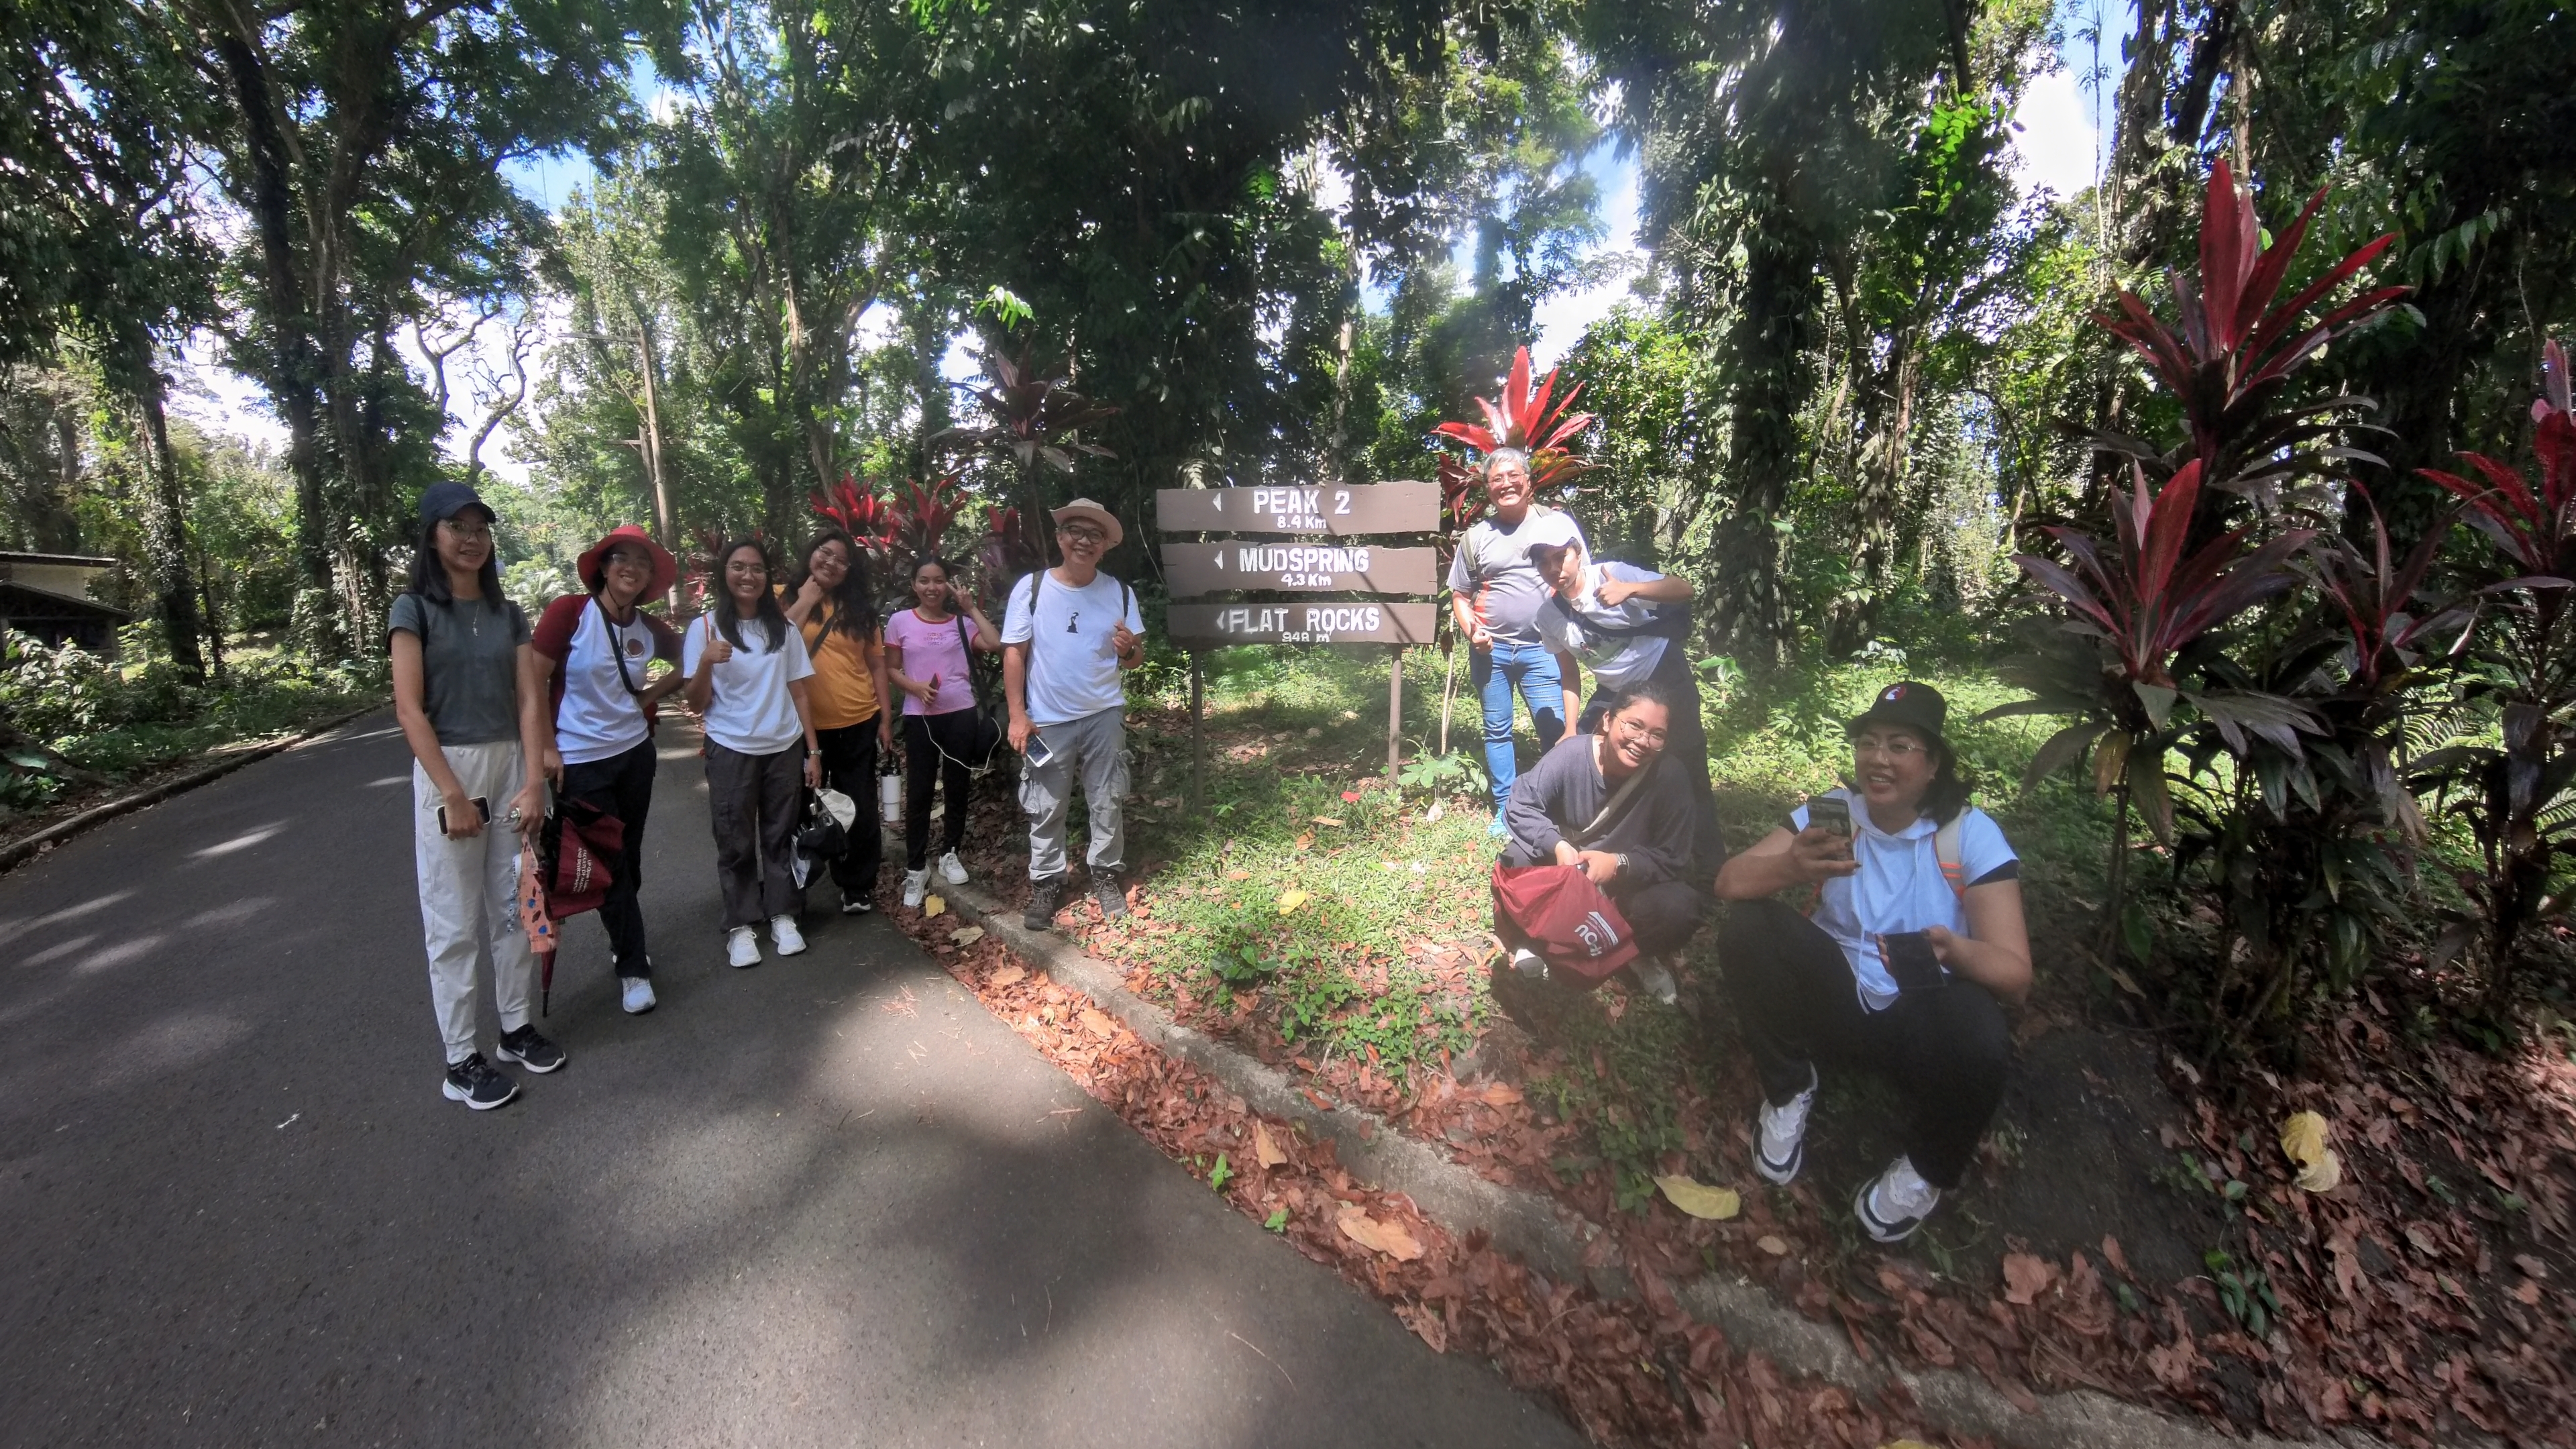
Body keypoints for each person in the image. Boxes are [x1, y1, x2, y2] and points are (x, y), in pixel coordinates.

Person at [1712, 681, 2030, 1244]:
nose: (1878, 759)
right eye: (1870, 742)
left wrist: (1955, 950)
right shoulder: (1834, 814)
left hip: (1918, 1016)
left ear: (1933, 764)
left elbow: (2015, 974)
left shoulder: (1969, 834)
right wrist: (1792, 865)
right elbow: (1729, 882)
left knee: (1981, 1023)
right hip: (1831, 1001)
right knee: (1748, 927)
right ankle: (1789, 1088)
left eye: (1901, 745)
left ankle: (1928, 1169)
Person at [389, 481, 563, 1110]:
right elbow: (410, 710)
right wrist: (452, 793)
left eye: (480, 529)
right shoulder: (413, 609)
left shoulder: (507, 613)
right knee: (454, 920)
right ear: (432, 535)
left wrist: (534, 779)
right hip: (450, 772)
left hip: (510, 764)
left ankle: (515, 1028)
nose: (471, 539)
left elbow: (528, 698)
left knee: (516, 904)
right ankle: (461, 1057)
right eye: (457, 527)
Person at [532, 524, 684, 1016]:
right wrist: (545, 748)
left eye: (642, 563)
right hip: (579, 761)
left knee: (630, 856)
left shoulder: (647, 628)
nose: (631, 568)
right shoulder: (569, 613)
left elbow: (688, 655)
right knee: (611, 862)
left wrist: (651, 697)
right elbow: (531, 682)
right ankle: (633, 967)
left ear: (648, 578)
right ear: (603, 564)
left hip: (635, 755)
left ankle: (624, 937)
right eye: (622, 558)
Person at [1497, 680, 1703, 1004]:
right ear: (1608, 721)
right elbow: (1521, 804)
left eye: (1657, 734)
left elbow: (1673, 856)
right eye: (1633, 725)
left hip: (1624, 889)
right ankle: (1530, 937)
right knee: (1515, 860)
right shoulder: (1572, 755)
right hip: (1566, 874)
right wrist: (1558, 845)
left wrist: (1620, 864)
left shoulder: (1671, 777)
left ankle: (1636, 953)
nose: (1642, 741)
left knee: (1679, 907)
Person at [1528, 536, 1723, 876]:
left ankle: (1712, 868)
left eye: (1561, 557)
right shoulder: (1549, 615)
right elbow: (1569, 673)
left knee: (1688, 765)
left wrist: (1631, 590)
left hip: (1664, 670)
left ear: (1577, 553)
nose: (1554, 568)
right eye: (1544, 562)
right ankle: (1594, 847)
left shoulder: (1611, 573)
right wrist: (1571, 730)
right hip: (1616, 687)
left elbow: (1683, 588)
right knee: (1586, 753)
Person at [1002, 498, 1145, 932]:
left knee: (1107, 798)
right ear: (1061, 538)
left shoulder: (1119, 592)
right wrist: (1017, 714)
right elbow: (1014, 652)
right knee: (1046, 806)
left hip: (1103, 714)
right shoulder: (1033, 588)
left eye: (1094, 535)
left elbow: (1135, 657)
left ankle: (1104, 875)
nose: (1084, 540)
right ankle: (1047, 881)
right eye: (1076, 532)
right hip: (1048, 720)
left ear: (1105, 545)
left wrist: (1130, 650)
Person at [683, 539, 822, 969]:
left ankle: (782, 915)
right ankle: (742, 925)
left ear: (767, 577)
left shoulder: (784, 629)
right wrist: (706, 661)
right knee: (735, 840)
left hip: (783, 747)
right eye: (739, 567)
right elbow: (695, 702)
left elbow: (799, 691)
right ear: (725, 573)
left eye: (758, 568)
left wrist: (812, 751)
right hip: (730, 749)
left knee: (780, 837)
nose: (749, 576)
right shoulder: (705, 628)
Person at [1448, 447, 1587, 835]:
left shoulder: (1555, 524)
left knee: (1556, 728)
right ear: (1487, 488)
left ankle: (1556, 803)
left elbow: (1580, 575)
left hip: (1545, 648)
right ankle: (1507, 809)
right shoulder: (1477, 537)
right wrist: (1472, 631)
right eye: (1496, 479)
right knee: (1497, 729)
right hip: (1491, 653)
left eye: (1513, 477)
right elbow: (1461, 594)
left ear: (1529, 481)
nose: (1505, 484)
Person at [784, 531, 894, 916]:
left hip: (856, 719)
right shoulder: (782, 594)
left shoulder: (860, 609)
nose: (830, 563)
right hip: (797, 726)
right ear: (811, 553)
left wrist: (885, 716)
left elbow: (877, 663)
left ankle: (856, 884)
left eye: (841, 560)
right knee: (796, 808)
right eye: (824, 553)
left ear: (850, 570)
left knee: (858, 806)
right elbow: (771, 644)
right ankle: (794, 887)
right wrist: (805, 600)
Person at [883, 554, 1001, 908]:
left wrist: (970, 607)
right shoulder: (900, 621)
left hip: (961, 714)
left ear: (948, 585)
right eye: (924, 580)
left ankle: (950, 853)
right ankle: (916, 867)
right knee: (918, 793)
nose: (931, 587)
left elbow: (995, 643)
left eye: (938, 581)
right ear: (913, 585)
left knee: (957, 787)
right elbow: (891, 669)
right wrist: (915, 687)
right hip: (920, 717)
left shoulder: (962, 624)